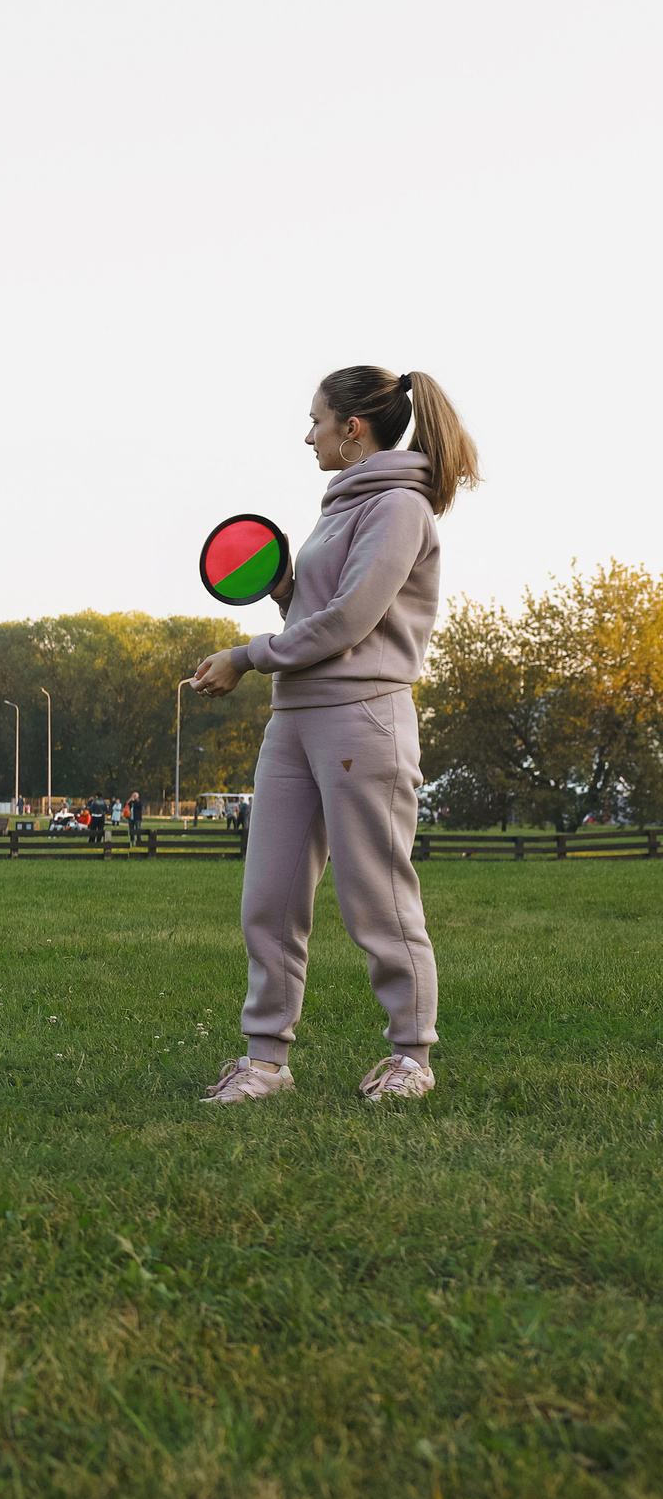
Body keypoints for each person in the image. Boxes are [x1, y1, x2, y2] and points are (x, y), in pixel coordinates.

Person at [191, 366, 478, 1107]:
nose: (308, 432)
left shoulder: (400, 507)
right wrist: (287, 591)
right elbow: (324, 611)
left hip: (364, 717)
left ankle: (411, 1055)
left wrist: (247, 654)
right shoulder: (343, 504)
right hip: (296, 719)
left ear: (353, 427)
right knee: (270, 895)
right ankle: (265, 1061)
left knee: (375, 897)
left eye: (316, 419)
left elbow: (353, 622)